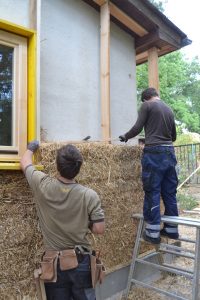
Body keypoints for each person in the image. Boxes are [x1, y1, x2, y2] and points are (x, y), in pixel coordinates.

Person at [20, 142, 105, 300]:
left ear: (57, 165)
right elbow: (99, 229)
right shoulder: (89, 195)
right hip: (82, 264)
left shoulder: (42, 184)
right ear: (78, 168)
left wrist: (31, 148)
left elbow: (24, 162)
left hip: (54, 265)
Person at [119, 87, 179, 244]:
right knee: (169, 191)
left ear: (145, 99)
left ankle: (152, 232)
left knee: (152, 189)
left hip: (154, 153)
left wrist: (125, 136)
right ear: (156, 96)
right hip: (169, 152)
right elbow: (173, 136)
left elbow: (138, 127)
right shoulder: (169, 109)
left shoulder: (147, 106)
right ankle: (172, 229)